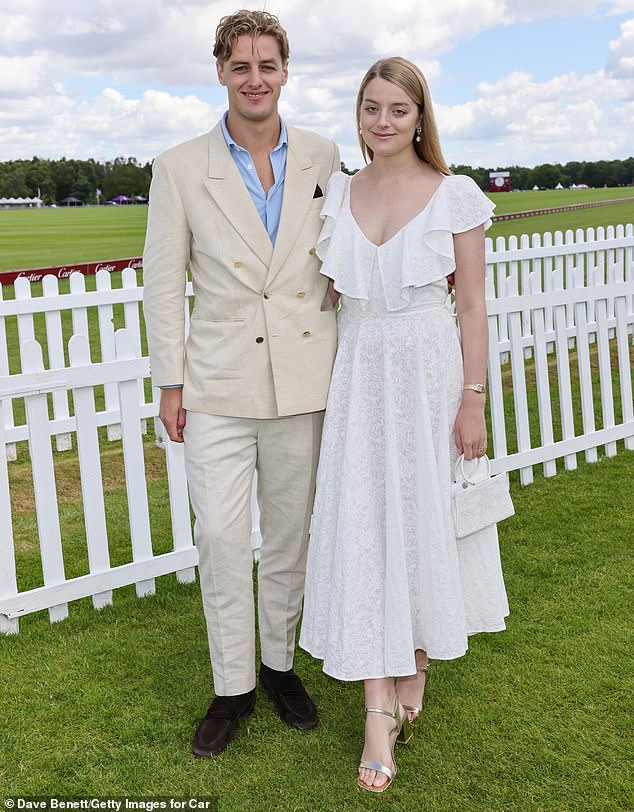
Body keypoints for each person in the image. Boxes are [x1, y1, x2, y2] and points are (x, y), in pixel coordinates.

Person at [299, 57, 509, 792]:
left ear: (421, 117)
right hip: (360, 376)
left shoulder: (454, 196)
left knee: (419, 522)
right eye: (369, 109)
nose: (381, 122)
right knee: (364, 527)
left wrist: (473, 398)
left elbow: (474, 305)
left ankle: (413, 660)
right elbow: (320, 296)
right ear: (356, 116)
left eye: (396, 109)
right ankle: (376, 710)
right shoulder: (341, 194)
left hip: (429, 376)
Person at [143, 9, 340, 758]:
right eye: (240, 65)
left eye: (267, 64)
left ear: (285, 71)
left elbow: (350, 251)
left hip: (303, 380)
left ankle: (280, 666)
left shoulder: (325, 156)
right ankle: (233, 688)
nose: (254, 78)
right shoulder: (179, 167)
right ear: (221, 72)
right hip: (216, 383)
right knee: (223, 536)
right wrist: (171, 384)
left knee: (290, 536)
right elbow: (163, 287)